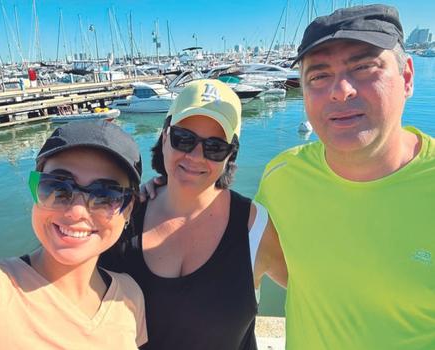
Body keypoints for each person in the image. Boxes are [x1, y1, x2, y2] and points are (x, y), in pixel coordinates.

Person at [255, 4, 435, 350]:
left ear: (407, 78)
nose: (341, 90)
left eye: (364, 67)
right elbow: (271, 260)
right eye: (319, 76)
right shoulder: (281, 178)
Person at [101, 79, 285, 350]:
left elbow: (315, 293)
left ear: (230, 155)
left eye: (215, 147)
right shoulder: (123, 216)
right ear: (164, 137)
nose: (196, 156)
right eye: (183, 139)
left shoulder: (254, 227)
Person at [0, 121, 147, 349]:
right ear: (36, 189)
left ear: (128, 209)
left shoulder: (128, 295)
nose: (76, 212)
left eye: (105, 195)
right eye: (57, 188)